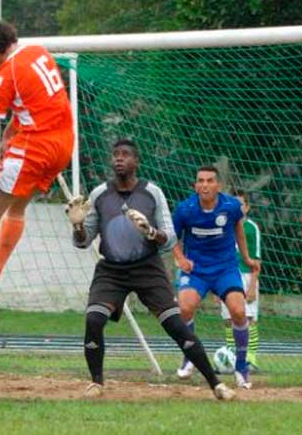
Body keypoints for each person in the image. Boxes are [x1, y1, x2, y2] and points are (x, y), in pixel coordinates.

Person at [68, 140, 235, 401]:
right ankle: (96, 382)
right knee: (93, 320)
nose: (119, 159)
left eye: (125, 155)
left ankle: (216, 384)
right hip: (111, 270)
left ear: (136, 161)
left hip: (148, 268)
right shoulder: (99, 193)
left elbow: (169, 238)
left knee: (176, 326)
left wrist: (151, 232)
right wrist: (78, 226)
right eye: (115, 155)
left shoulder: (152, 193)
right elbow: (83, 242)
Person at [0, 18, 75, 296]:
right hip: (63, 144)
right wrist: (12, 131)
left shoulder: (5, 75)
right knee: (17, 209)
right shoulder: (38, 52)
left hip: (34, 149)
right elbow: (35, 102)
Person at [172, 166, 260, 389]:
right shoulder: (185, 209)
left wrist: (247, 258)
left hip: (225, 268)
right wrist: (181, 259)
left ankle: (241, 369)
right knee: (184, 307)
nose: (205, 185)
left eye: (210, 180)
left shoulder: (230, 206)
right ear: (195, 185)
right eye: (200, 181)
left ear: (218, 185)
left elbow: (239, 228)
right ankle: (189, 356)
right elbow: (172, 237)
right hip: (197, 270)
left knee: (239, 311)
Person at [222, 190, 261, 369]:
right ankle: (231, 356)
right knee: (228, 319)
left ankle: (251, 358)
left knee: (249, 318)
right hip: (227, 276)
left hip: (246, 277)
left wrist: (252, 286)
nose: (237, 208)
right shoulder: (224, 226)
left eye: (241, 204)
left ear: (247, 207)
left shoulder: (252, 228)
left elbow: (257, 260)